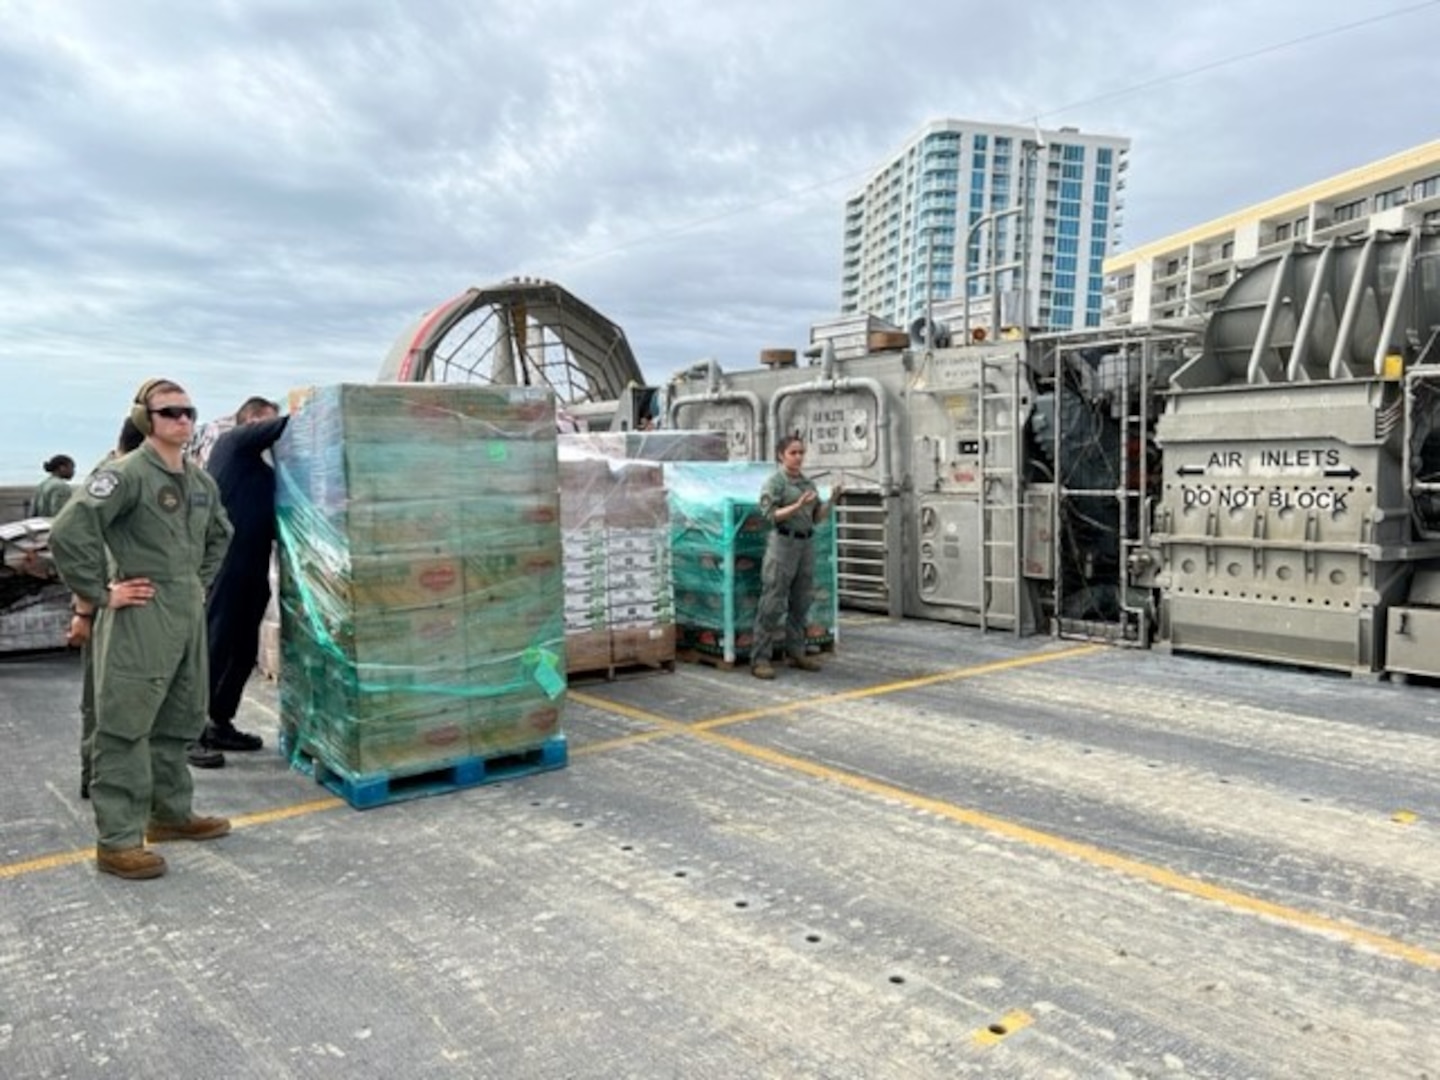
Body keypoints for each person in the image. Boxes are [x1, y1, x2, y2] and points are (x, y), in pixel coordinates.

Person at [50, 377, 234, 881]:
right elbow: (70, 529)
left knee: (179, 716)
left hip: (184, 611)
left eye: (188, 412)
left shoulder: (200, 482)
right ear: (144, 420)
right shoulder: (125, 475)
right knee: (125, 723)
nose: (183, 420)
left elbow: (222, 532)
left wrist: (197, 582)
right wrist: (100, 592)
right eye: (170, 411)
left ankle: (169, 814)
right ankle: (118, 841)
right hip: (140, 613)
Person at [197, 396, 288, 758]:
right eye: (266, 423)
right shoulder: (232, 442)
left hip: (253, 564)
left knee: (242, 649)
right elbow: (284, 425)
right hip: (228, 563)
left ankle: (220, 723)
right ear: (251, 421)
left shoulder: (258, 468)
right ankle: (189, 731)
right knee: (216, 645)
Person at [69, 417, 146, 800]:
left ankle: (109, 778)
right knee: (102, 700)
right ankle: (98, 778)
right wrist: (89, 605)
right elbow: (81, 547)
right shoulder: (115, 480)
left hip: (129, 606)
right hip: (108, 607)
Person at [750, 435, 842, 680]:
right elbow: (769, 515)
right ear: (782, 455)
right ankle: (760, 658)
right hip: (783, 543)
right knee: (772, 600)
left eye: (801, 452)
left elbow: (816, 517)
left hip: (805, 543)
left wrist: (832, 499)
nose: (798, 457)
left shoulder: (807, 483)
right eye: (793, 452)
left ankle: (796, 652)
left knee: (802, 600)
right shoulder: (776, 482)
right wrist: (796, 505)